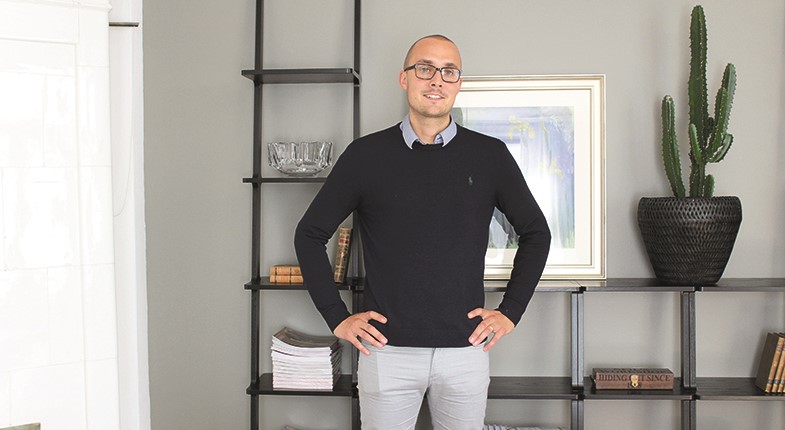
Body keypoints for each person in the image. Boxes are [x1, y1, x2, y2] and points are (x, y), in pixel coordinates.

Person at [294, 34, 551, 430]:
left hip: (466, 351)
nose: (436, 80)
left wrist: (510, 312)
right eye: (425, 69)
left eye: (449, 71)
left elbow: (536, 233)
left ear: (459, 83)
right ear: (404, 79)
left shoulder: (490, 156)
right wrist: (336, 317)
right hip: (386, 352)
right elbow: (309, 234)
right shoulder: (365, 155)